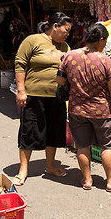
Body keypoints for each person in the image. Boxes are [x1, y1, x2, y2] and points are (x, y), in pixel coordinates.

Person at [57, 23, 111, 191]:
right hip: (101, 111)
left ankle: (87, 180)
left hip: (77, 110)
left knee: (82, 145)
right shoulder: (104, 60)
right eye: (105, 41)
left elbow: (60, 81)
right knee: (107, 146)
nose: (105, 45)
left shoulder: (69, 56)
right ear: (101, 39)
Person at [13, 12, 72, 186]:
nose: (68, 34)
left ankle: (50, 166)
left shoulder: (65, 46)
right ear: (55, 27)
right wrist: (21, 90)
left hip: (56, 97)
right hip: (34, 96)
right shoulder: (33, 40)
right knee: (29, 131)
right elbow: (20, 63)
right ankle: (23, 170)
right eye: (66, 30)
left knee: (54, 131)